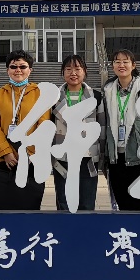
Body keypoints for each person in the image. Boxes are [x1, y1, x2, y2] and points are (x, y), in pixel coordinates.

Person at [0, 49, 50, 210]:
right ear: (8, 70)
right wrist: (5, 152)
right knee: (1, 207)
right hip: (6, 159)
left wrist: (28, 153)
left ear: (30, 70)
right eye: (13, 67)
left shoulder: (40, 93)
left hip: (31, 158)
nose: (18, 70)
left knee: (27, 207)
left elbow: (43, 124)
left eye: (23, 66)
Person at [51, 54, 105, 211]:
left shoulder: (96, 96)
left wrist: (101, 155)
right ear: (63, 72)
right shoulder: (54, 98)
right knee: (64, 202)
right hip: (63, 158)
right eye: (68, 69)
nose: (73, 73)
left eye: (77, 69)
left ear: (85, 71)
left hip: (87, 158)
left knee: (86, 203)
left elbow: (102, 127)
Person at [101, 48, 140, 211]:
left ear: (133, 65)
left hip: (139, 157)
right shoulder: (107, 92)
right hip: (116, 158)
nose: (121, 65)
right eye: (117, 62)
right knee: (122, 205)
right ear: (112, 66)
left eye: (125, 61)